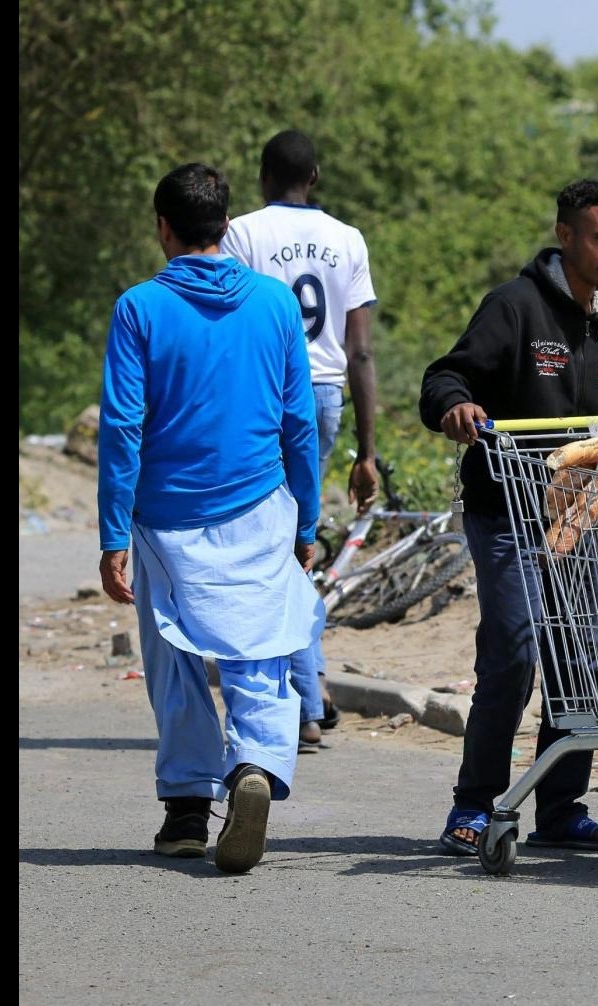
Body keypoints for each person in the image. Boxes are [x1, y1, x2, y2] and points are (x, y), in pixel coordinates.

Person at [98, 162, 323, 874]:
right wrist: (307, 518)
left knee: (176, 657)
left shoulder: (139, 307)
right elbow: (298, 423)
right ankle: (253, 762)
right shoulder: (276, 304)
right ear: (226, 225)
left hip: (167, 517)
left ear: (164, 228)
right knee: (260, 648)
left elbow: (122, 427)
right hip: (260, 505)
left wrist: (112, 536)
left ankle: (188, 811)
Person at [419, 179, 598, 857]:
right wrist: (456, 408)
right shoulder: (515, 307)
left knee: (579, 657)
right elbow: (444, 377)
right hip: (506, 512)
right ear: (566, 236)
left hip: (578, 515)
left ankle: (561, 807)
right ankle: (473, 805)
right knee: (515, 653)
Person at [220, 129, 380, 753]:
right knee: (297, 542)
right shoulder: (348, 239)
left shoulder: (244, 234)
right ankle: (310, 686)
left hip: (264, 395)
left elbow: (232, 326)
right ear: (314, 176)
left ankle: (304, 703)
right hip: (327, 398)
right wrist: (366, 453)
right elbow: (360, 349)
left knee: (272, 548)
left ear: (264, 175)